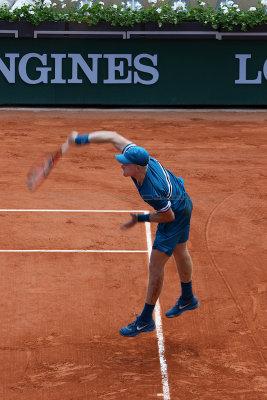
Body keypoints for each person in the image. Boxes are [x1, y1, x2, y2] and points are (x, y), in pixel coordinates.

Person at [69, 130, 200, 337]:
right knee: (180, 251)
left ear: (137, 167)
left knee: (155, 266)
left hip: (175, 212)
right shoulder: (139, 159)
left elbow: (168, 217)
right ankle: (187, 298)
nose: (121, 165)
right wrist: (81, 139)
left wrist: (140, 219)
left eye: (125, 163)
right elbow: (112, 136)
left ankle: (145, 320)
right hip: (183, 201)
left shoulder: (152, 190)